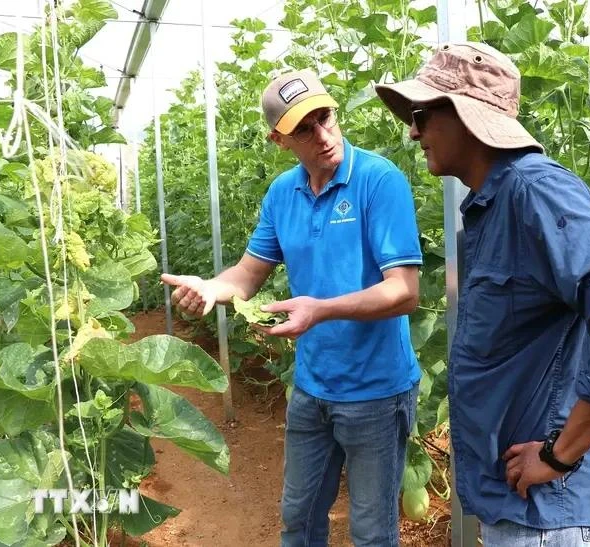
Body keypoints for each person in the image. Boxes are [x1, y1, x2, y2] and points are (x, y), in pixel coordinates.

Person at [375, 42, 590, 546]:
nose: (413, 130)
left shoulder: (534, 192)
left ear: (468, 115)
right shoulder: (493, 206)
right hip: (515, 503)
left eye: (423, 113)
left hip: (542, 513)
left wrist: (559, 454)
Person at [162, 69, 423, 547]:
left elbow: (404, 292)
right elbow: (246, 275)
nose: (323, 135)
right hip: (312, 388)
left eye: (325, 118)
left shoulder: (378, 181)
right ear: (279, 140)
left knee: (371, 532)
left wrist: (320, 310)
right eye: (305, 128)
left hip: (376, 394)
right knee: (298, 521)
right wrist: (210, 288)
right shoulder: (283, 193)